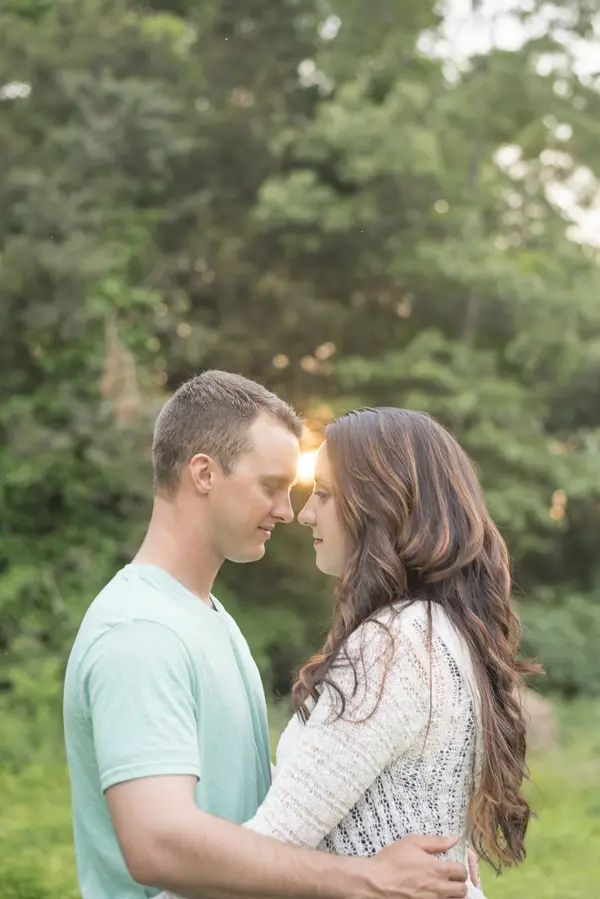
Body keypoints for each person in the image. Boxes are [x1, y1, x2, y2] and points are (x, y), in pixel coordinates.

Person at [63, 372, 468, 899]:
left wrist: (430, 823)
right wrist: (366, 878)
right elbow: (157, 844)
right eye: (270, 487)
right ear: (205, 474)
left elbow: (259, 808)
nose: (287, 511)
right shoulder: (142, 632)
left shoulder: (207, 616)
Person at [161, 407, 536, 899]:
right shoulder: (439, 631)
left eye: (324, 493)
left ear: (382, 503)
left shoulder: (396, 644)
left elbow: (275, 843)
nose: (305, 513)